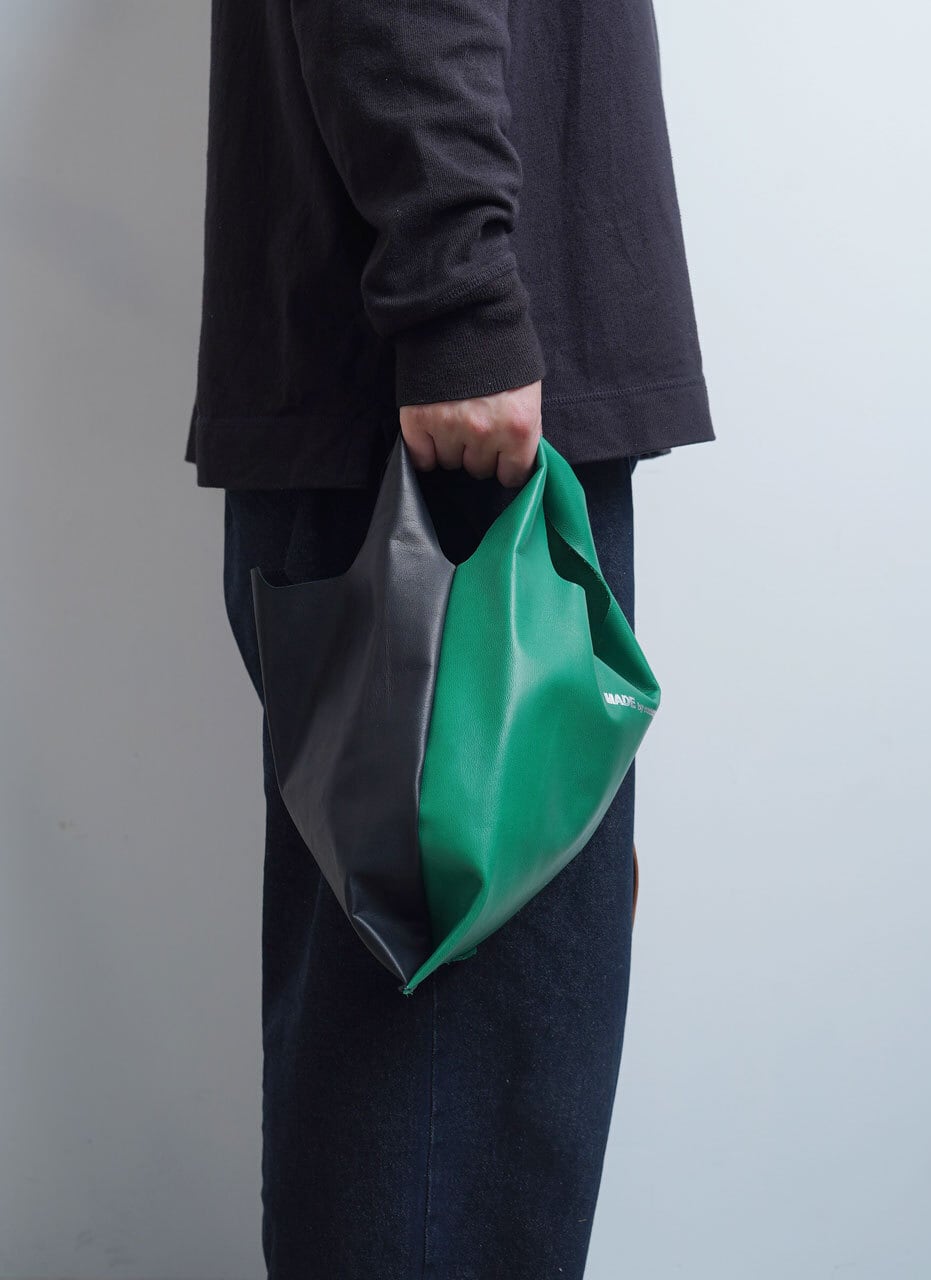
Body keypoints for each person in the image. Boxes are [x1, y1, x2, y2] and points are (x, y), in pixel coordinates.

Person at [185, 0, 715, 1275]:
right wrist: (458, 296)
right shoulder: (456, 343)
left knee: (463, 1103)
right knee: (450, 1125)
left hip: (451, 400)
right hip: (447, 422)